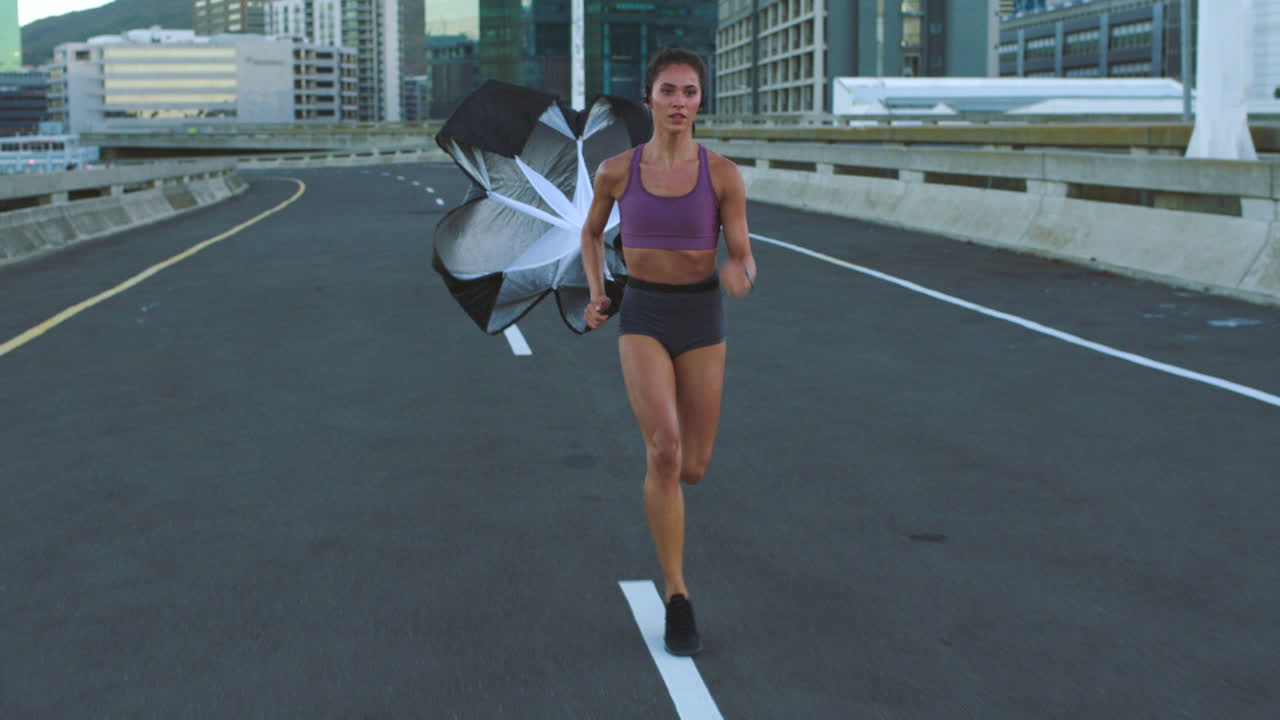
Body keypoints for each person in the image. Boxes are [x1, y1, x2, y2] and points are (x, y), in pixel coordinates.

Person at [580, 47, 756, 657]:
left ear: (700, 100)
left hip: (703, 316)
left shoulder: (723, 174)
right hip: (645, 314)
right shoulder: (616, 171)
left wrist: (739, 269)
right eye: (668, 91)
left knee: (693, 467)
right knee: (664, 450)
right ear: (649, 98)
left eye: (689, 92)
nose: (679, 102)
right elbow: (591, 233)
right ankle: (677, 594)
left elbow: (741, 249)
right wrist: (600, 292)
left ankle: (667, 491)